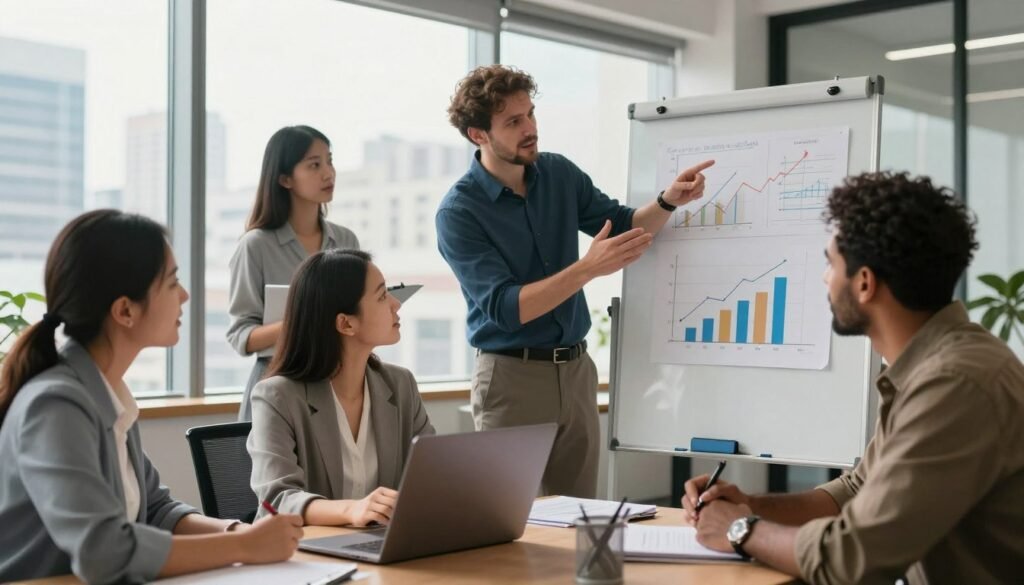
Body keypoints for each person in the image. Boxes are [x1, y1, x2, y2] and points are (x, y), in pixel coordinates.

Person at [682, 172, 1024, 584]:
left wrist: (740, 530)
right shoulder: (932, 364)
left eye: (831, 264)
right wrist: (750, 505)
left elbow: (853, 559)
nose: (826, 279)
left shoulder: (955, 383)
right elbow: (860, 490)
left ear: (864, 283)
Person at [436, 64, 713, 497]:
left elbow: (624, 224)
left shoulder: (559, 173)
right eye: (513, 122)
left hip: (576, 371)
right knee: (509, 519)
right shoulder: (458, 213)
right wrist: (587, 269)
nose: (530, 128)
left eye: (530, 114)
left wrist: (666, 201)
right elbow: (508, 309)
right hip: (512, 378)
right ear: (478, 135)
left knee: (579, 514)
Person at [0, 210, 302, 584]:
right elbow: (104, 552)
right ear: (125, 310)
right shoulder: (56, 405)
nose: (186, 295)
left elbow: (157, 510)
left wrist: (238, 532)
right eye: (173, 282)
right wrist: (246, 548)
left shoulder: (107, 394)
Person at [248, 249, 434, 527]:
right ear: (346, 323)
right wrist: (352, 511)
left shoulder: (400, 384)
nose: (396, 304)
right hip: (307, 555)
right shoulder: (277, 397)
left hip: (383, 547)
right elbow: (278, 500)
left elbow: (432, 475)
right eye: (383, 296)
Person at [227, 125, 360, 421]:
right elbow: (241, 337)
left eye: (330, 160)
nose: (329, 173)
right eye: (314, 165)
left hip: (335, 382)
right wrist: (302, 319)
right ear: (285, 178)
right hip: (276, 382)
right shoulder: (255, 246)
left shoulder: (346, 241)